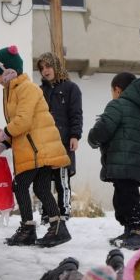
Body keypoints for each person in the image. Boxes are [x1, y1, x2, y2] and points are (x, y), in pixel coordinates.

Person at [0, 45, 72, 247]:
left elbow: (23, 122)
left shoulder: (27, 89)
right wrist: (4, 144)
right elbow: (20, 127)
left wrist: (1, 135)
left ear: (8, 72)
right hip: (33, 148)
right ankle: (57, 227)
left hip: (38, 149)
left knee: (19, 185)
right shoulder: (12, 90)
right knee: (41, 188)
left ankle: (28, 228)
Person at [87, 72, 140, 250]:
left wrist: (93, 139)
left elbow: (103, 129)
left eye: (112, 91)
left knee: (127, 198)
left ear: (117, 90)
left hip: (123, 161)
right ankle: (130, 230)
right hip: (135, 164)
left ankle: (138, 230)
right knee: (125, 197)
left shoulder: (118, 105)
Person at [36, 52, 83, 224]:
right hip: (43, 143)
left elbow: (76, 114)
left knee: (62, 179)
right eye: (42, 68)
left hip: (62, 141)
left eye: (48, 66)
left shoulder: (71, 88)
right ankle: (46, 213)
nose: (45, 71)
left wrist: (75, 136)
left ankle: (64, 213)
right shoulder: (40, 91)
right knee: (43, 180)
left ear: (56, 66)